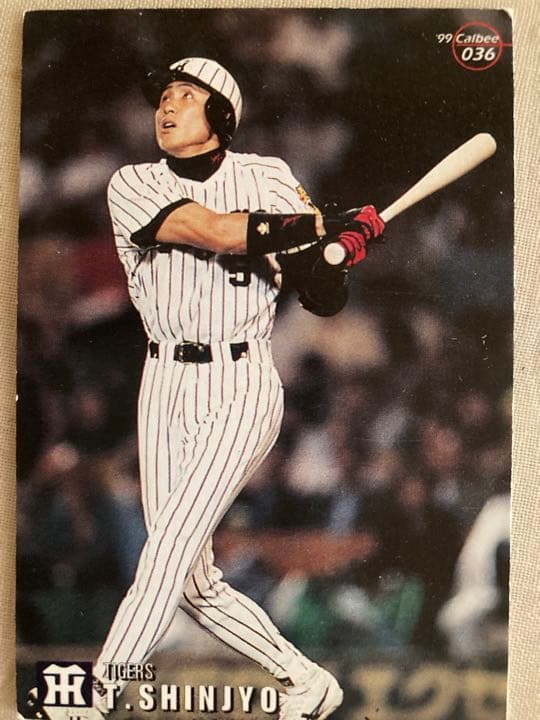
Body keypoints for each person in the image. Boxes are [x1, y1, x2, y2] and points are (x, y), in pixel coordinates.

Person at [31, 57, 384, 720]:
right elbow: (213, 230)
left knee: (165, 549)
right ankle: (305, 680)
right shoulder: (133, 182)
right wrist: (316, 225)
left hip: (240, 381)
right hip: (163, 380)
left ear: (222, 112)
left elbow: (321, 296)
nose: (166, 106)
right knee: (192, 584)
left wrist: (341, 252)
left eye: (184, 95)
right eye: (163, 96)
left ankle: (96, 695)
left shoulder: (268, 175)